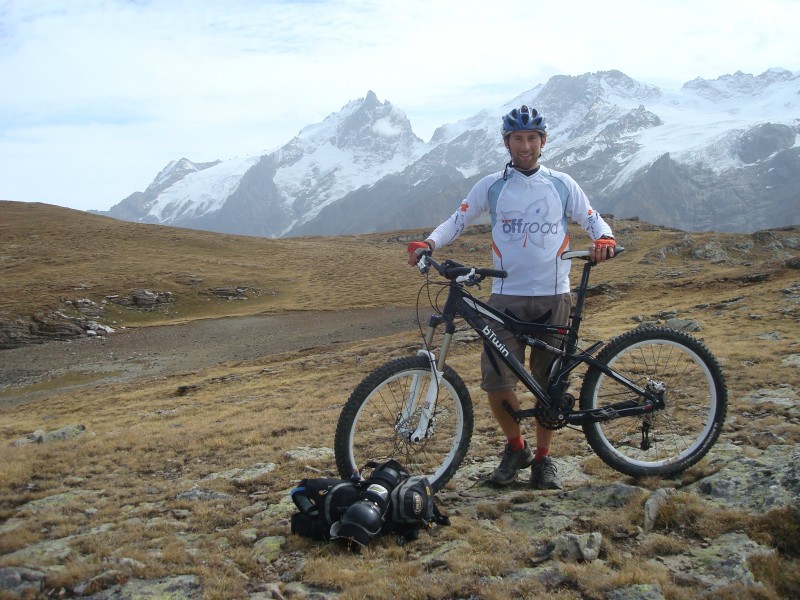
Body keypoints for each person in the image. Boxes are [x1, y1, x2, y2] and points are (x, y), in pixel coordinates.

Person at [407, 105, 616, 490]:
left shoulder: (561, 184)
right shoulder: (491, 185)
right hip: (505, 299)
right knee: (498, 382)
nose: (525, 145)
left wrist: (605, 238)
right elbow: (458, 219)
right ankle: (516, 447)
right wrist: (429, 242)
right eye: (518, 139)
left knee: (549, 384)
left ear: (542, 142)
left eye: (532, 138)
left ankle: (543, 459)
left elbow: (591, 217)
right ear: (507, 143)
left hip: (554, 296)